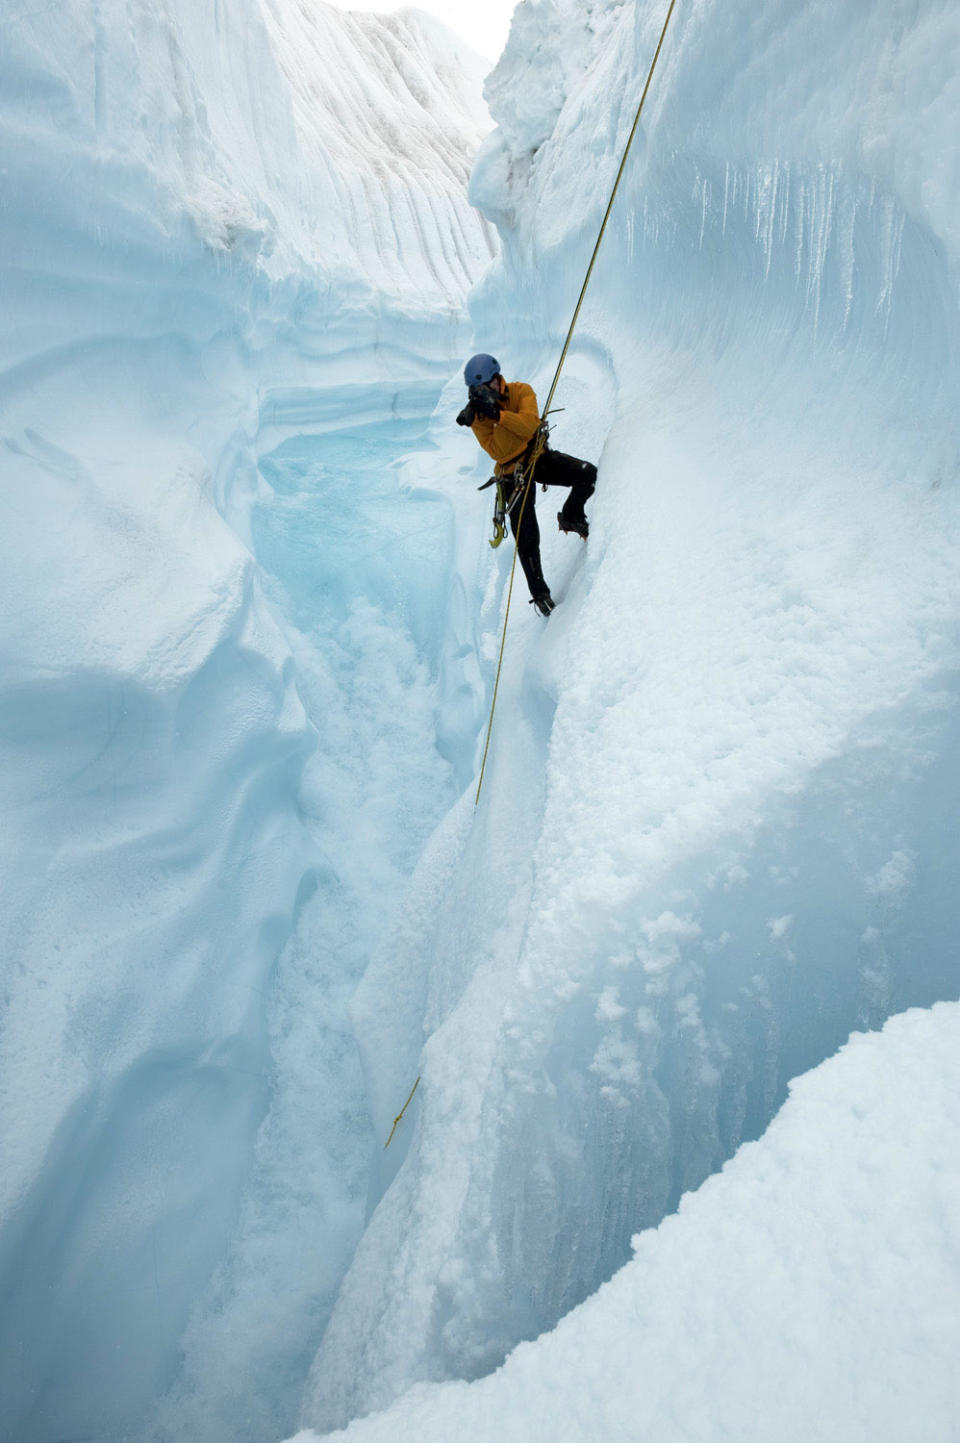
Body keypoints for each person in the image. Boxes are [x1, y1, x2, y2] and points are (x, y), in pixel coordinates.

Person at [456, 353, 597, 616]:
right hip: (511, 474)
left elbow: (530, 426)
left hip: (537, 456)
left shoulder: (521, 391)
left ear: (498, 380)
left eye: (488, 386)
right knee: (526, 534)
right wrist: (495, 418)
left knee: (588, 474)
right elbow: (499, 451)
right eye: (480, 390)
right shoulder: (476, 418)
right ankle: (540, 594)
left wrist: (499, 415)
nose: (486, 393)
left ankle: (571, 515)